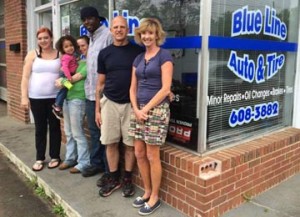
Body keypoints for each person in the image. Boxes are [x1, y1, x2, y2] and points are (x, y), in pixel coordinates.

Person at [95, 16, 144, 197]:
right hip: (110, 103)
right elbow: (100, 84)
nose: (118, 30)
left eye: (122, 27)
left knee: (130, 145)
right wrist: (97, 110)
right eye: (115, 27)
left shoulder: (138, 52)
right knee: (111, 143)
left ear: (127, 29)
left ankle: (127, 180)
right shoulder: (104, 53)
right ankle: (114, 178)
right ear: (111, 30)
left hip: (132, 105)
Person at [129, 18, 173, 215]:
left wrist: (146, 109)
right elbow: (132, 88)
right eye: (143, 33)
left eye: (150, 33)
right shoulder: (138, 59)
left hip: (157, 110)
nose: (147, 36)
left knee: (151, 155)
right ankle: (146, 191)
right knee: (139, 153)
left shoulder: (164, 56)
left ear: (157, 35)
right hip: (138, 110)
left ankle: (155, 196)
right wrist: (137, 109)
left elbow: (165, 89)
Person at [21, 27, 62, 172]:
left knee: (55, 127)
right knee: (40, 128)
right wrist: (24, 97)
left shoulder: (60, 54)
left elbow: (66, 74)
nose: (43, 40)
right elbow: (25, 77)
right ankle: (39, 158)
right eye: (40, 38)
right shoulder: (33, 55)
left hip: (55, 98)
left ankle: (55, 156)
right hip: (36, 97)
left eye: (46, 37)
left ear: (51, 38)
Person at [80, 6, 113, 178]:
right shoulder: (90, 39)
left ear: (98, 19)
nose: (87, 22)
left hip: (105, 95)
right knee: (94, 132)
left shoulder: (108, 35)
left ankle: (110, 171)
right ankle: (96, 164)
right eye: (84, 20)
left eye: (90, 18)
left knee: (106, 134)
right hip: (90, 94)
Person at [57, 35, 91, 174]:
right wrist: (62, 81)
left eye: (84, 45)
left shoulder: (89, 62)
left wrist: (61, 82)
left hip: (78, 98)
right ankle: (71, 158)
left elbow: (74, 79)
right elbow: (65, 75)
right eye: (79, 46)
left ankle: (84, 162)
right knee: (69, 132)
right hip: (68, 99)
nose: (81, 48)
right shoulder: (75, 60)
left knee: (77, 132)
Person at [52, 35, 79, 119]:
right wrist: (68, 77)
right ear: (62, 49)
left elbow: (73, 64)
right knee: (64, 89)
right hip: (64, 75)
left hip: (67, 75)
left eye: (71, 45)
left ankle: (59, 105)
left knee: (67, 89)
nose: (69, 48)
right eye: (66, 47)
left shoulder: (72, 56)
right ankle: (57, 106)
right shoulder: (66, 57)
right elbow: (65, 67)